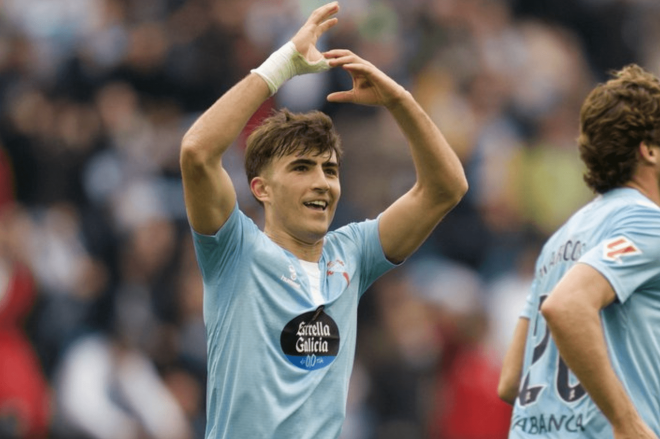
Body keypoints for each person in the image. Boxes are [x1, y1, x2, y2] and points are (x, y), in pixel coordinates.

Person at [178, 2, 467, 438]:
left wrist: (399, 99)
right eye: (301, 168)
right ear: (261, 188)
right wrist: (281, 67)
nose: (322, 183)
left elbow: (445, 188)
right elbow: (197, 153)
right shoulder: (233, 250)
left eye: (329, 170)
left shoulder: (352, 252)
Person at [498, 64, 660, 439]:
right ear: (648, 150)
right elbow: (567, 307)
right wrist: (626, 422)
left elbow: (511, 380)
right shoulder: (648, 223)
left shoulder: (561, 239)